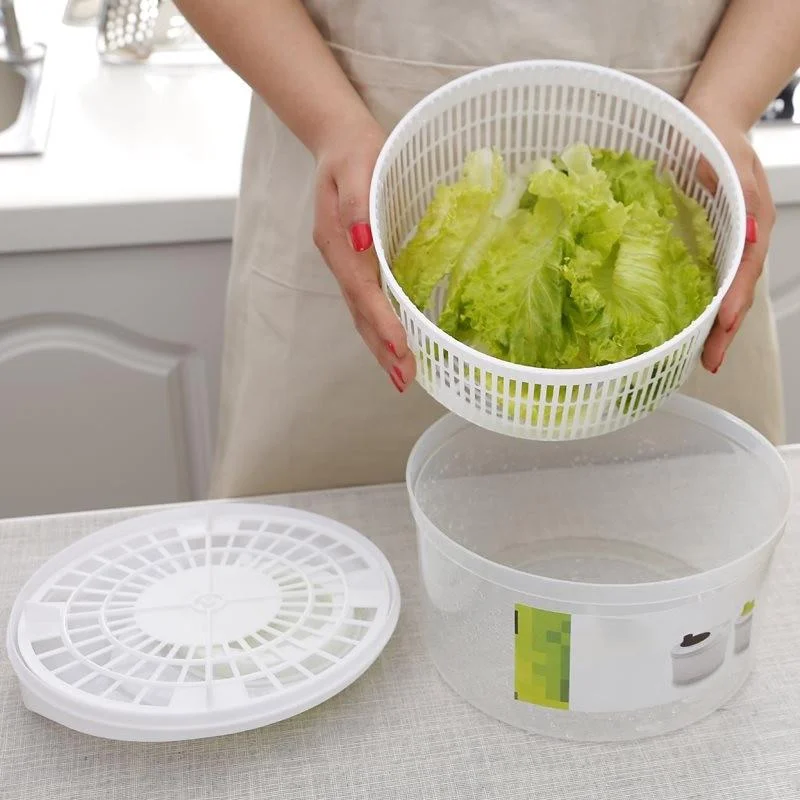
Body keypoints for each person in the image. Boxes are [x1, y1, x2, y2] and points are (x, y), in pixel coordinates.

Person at [176, 0, 799, 498]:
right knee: (336, 568)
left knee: (671, 561)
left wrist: (727, 105)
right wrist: (330, 123)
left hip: (678, 157)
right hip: (355, 154)